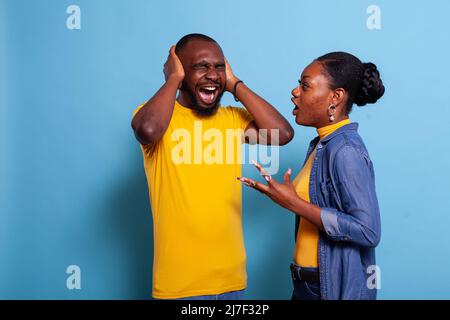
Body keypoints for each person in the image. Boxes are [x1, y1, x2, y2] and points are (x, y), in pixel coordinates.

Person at [131, 33, 294, 300]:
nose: (212, 74)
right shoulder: (160, 119)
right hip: (180, 287)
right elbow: (147, 130)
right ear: (181, 71)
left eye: (219, 66)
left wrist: (235, 84)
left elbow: (282, 134)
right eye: (201, 66)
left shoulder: (233, 120)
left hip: (232, 281)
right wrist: (173, 79)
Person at [238, 52, 384, 300]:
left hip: (328, 288)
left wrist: (294, 203)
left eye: (305, 86)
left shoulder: (345, 149)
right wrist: (288, 197)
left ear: (335, 97)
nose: (295, 92)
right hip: (305, 284)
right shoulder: (321, 143)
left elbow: (368, 230)